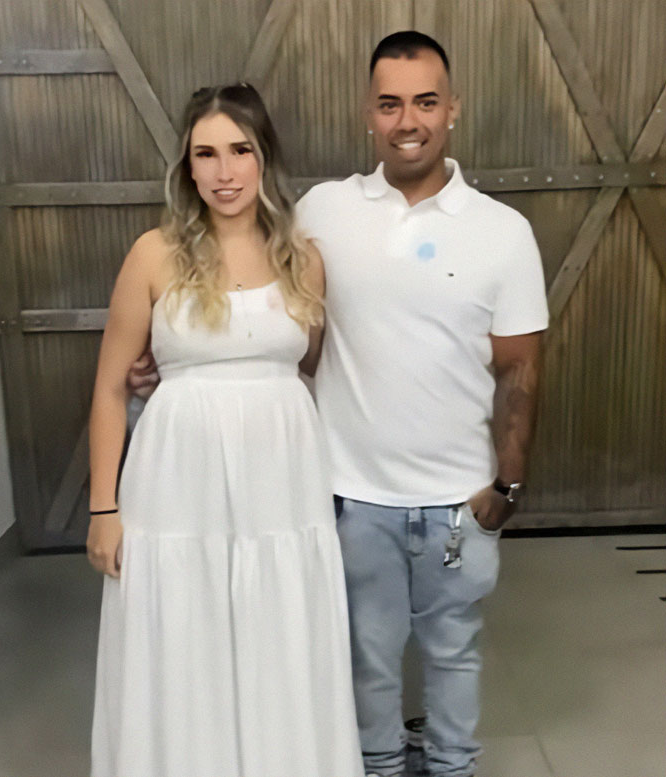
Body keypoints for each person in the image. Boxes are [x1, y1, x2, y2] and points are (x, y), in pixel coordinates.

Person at [86, 83, 364, 777]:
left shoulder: (306, 258)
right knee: (183, 631)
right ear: (186, 166)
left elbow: (307, 366)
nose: (224, 171)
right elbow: (111, 386)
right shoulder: (153, 254)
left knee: (280, 627)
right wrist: (103, 506)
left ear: (264, 157)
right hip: (176, 480)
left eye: (240, 150)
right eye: (205, 153)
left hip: (281, 482)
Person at [294, 31, 549, 777]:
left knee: (452, 654)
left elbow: (521, 369)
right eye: (391, 103)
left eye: (426, 101)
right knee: (367, 655)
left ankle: (451, 767)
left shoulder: (503, 233)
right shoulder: (322, 211)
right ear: (369, 114)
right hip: (352, 494)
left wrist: (506, 485)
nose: (409, 119)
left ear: (453, 109)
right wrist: (167, 352)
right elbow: (258, 298)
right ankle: (375, 765)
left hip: (458, 499)